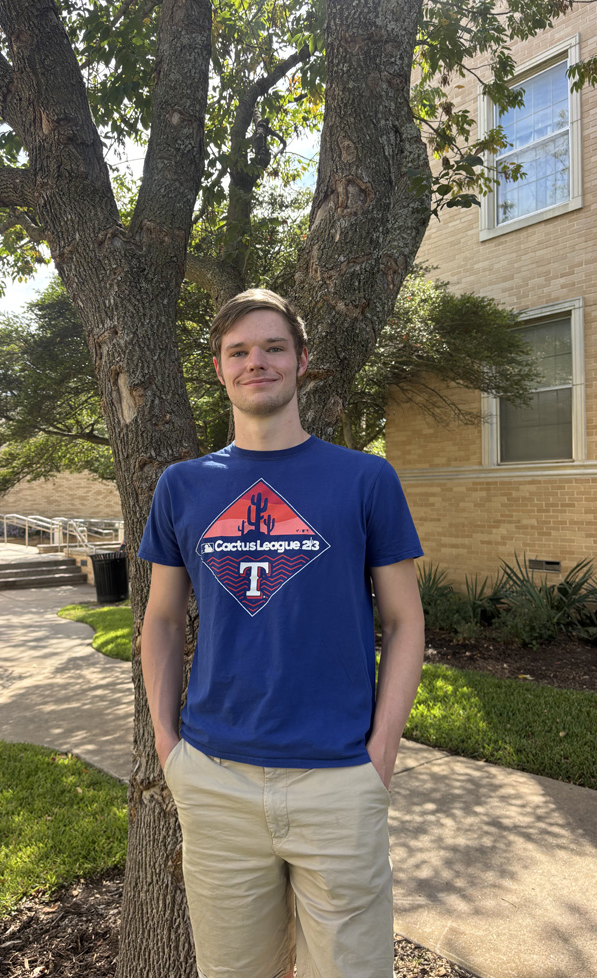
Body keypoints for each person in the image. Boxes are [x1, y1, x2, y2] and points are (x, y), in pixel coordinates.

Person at [138, 289, 425, 978]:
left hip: (339, 781)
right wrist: (168, 746)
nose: (255, 362)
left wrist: (380, 754)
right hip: (216, 779)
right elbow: (161, 618)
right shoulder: (183, 487)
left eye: (272, 347)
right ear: (219, 369)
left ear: (301, 360)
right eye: (239, 351)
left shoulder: (365, 478)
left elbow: (406, 620)